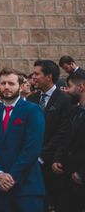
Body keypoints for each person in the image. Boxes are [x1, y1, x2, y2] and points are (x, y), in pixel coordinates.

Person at [0, 68, 45, 212]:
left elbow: (32, 148)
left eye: (11, 83)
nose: (6, 87)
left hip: (27, 186)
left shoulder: (32, 110)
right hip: (0, 188)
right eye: (3, 83)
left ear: (20, 85)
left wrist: (12, 177)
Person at [28, 60, 72, 212]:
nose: (33, 77)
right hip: (32, 163)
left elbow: (63, 133)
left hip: (54, 163)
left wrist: (42, 156)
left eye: (37, 74)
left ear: (49, 76)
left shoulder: (65, 100)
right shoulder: (31, 99)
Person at [52, 70, 85, 211]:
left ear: (81, 87)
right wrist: (57, 159)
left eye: (69, 87)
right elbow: (65, 138)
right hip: (67, 178)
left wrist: (82, 173)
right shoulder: (74, 111)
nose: (67, 91)